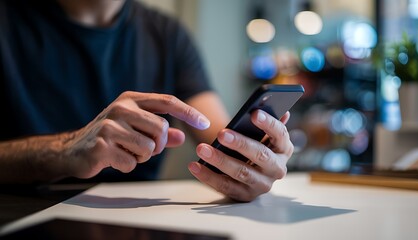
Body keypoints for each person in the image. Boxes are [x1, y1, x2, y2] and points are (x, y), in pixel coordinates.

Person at [0, 0, 294, 202]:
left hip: (139, 223)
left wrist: (255, 159)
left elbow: (219, 136)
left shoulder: (167, 34)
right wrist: (63, 150)